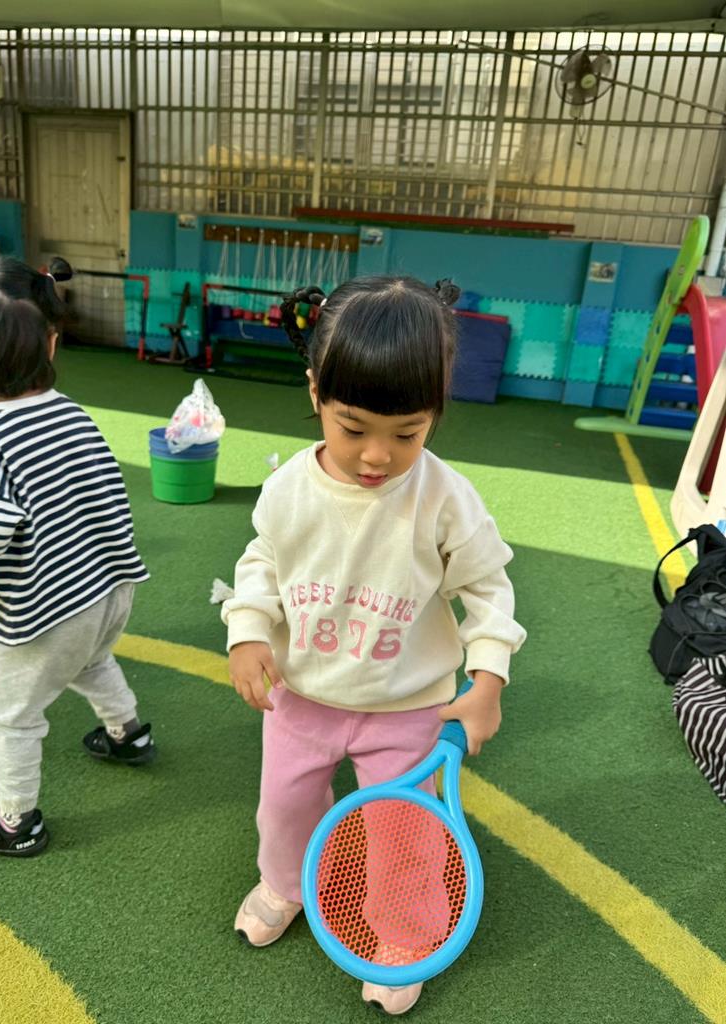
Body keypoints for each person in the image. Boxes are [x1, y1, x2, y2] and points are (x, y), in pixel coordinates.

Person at [222, 275, 526, 1015]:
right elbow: (262, 562)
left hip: (408, 708)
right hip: (301, 697)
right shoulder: (289, 488)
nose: (377, 456)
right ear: (316, 391)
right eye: (352, 428)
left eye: (407, 433)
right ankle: (284, 885)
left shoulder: (446, 500)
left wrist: (487, 681)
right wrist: (248, 631)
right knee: (284, 809)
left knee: (404, 832)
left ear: (436, 412)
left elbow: (489, 591)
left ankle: (403, 934)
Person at [0, 256, 155, 859]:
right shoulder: (71, 411)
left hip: (49, 608)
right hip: (111, 585)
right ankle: (127, 734)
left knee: (9, 715)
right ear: (51, 340)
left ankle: (15, 823)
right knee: (91, 661)